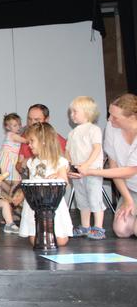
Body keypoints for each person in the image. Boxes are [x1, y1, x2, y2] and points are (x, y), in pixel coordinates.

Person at [77, 94, 137, 238]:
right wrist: (128, 199)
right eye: (109, 114)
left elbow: (130, 171)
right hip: (131, 189)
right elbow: (113, 166)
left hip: (130, 176)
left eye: (115, 117)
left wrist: (90, 171)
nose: (109, 119)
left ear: (132, 117)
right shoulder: (111, 127)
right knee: (121, 230)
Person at [18, 122, 73, 246]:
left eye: (32, 141)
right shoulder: (32, 162)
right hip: (35, 204)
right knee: (35, 241)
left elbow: (65, 182)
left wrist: (58, 177)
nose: (29, 145)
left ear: (43, 141)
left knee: (61, 241)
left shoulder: (58, 161)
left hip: (53, 204)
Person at [66, 96, 105, 240]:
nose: (72, 115)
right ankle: (85, 226)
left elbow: (97, 148)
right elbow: (68, 151)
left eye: (75, 112)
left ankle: (99, 228)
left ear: (87, 112)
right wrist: (70, 165)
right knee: (82, 199)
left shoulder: (94, 129)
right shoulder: (72, 133)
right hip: (78, 172)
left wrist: (87, 165)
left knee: (95, 198)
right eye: (71, 112)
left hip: (92, 170)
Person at [16, 104, 66, 177]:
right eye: (29, 119)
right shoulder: (23, 137)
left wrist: (58, 175)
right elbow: (19, 166)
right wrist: (24, 164)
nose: (32, 123)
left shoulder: (56, 140)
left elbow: (66, 166)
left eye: (36, 120)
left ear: (47, 120)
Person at [0, 113, 27, 187]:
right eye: (15, 125)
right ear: (8, 127)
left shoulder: (14, 134)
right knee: (15, 180)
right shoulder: (12, 135)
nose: (18, 127)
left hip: (12, 160)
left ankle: (9, 192)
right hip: (8, 161)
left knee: (13, 181)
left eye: (19, 124)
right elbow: (25, 141)